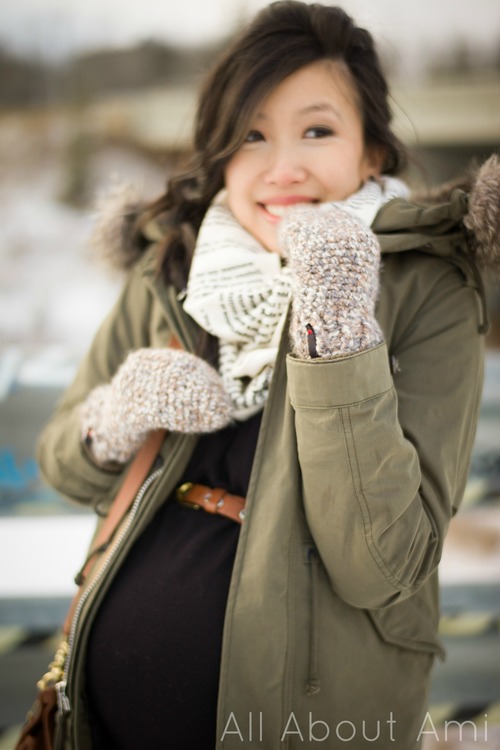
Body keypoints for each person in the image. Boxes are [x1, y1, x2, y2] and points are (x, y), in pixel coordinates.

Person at [35, 2, 500, 748]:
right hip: (106, 720)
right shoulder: (171, 267)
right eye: (251, 135)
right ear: (220, 155)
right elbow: (64, 463)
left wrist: (339, 337)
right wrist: (117, 413)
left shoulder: (428, 290)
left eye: (317, 130)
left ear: (372, 152)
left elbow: (383, 565)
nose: (282, 167)